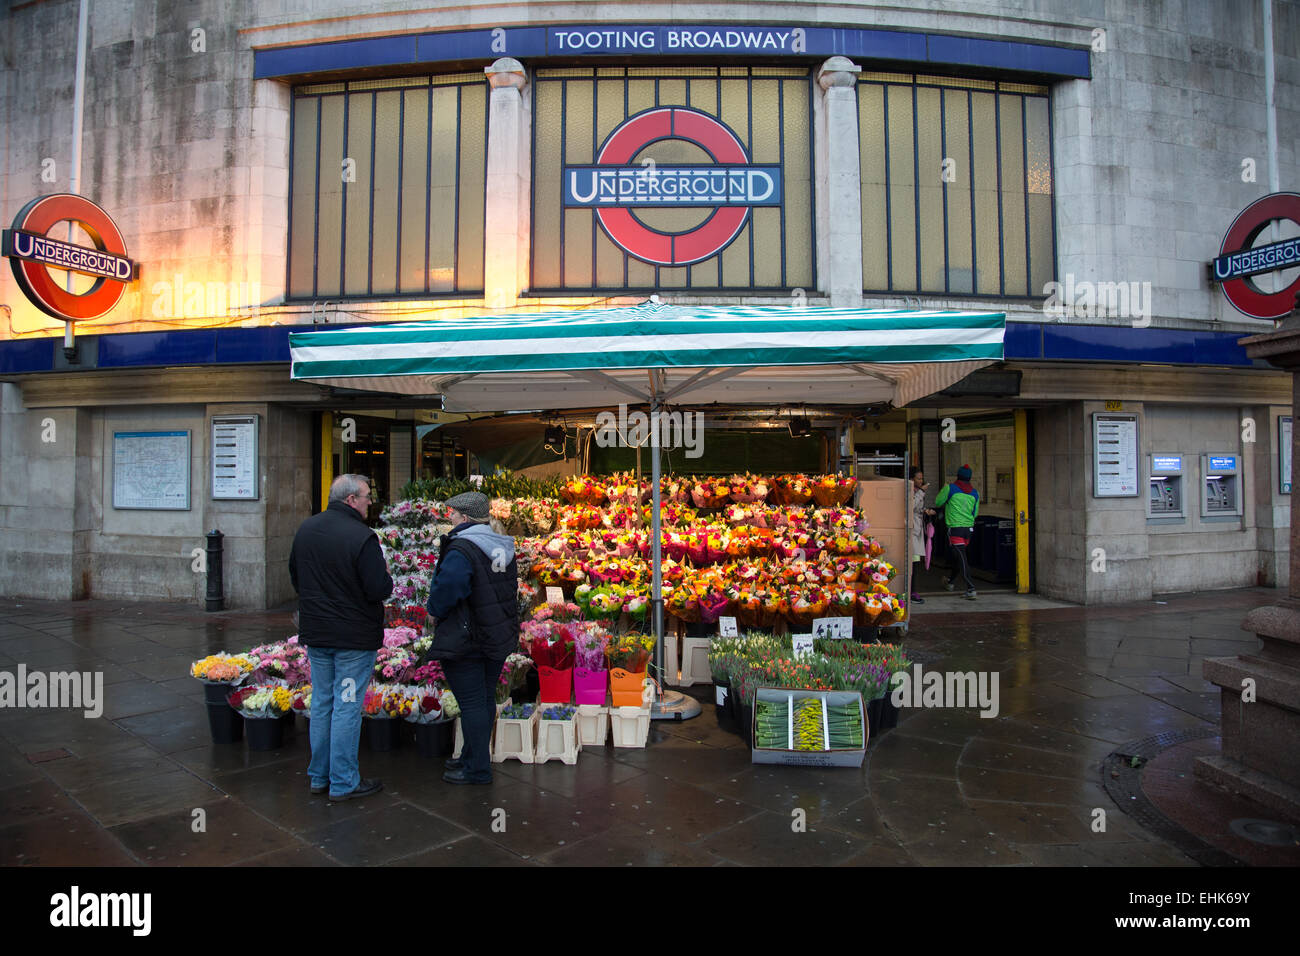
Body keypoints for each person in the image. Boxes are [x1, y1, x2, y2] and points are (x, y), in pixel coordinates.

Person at [289, 474, 393, 801]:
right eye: (365, 497)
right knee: (346, 706)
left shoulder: (306, 529)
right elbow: (379, 588)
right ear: (350, 500)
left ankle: (319, 777)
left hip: (317, 633)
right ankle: (344, 781)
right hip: (352, 638)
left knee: (322, 703)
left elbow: (295, 575)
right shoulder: (362, 537)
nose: (369, 502)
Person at [425, 491, 519, 785]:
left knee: (472, 703)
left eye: (452, 514)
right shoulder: (501, 544)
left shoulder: (463, 548)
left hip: (469, 637)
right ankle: (471, 757)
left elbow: (448, 589)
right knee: (483, 698)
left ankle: (477, 770)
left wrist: (433, 609)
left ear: (464, 517)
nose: (450, 519)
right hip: (497, 634)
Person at [934, 464, 979, 600]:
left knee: (962, 559)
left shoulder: (950, 489)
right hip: (969, 531)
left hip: (955, 529)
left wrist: (944, 490)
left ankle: (971, 588)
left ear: (958, 476)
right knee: (958, 557)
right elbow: (975, 513)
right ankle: (951, 582)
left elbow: (937, 502)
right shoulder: (975, 493)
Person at [908, 467, 937, 604]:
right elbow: (910, 506)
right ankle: (911, 592)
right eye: (918, 478)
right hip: (911, 531)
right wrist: (922, 491)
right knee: (912, 563)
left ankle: (912, 591)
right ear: (912, 479)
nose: (921, 481)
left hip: (917, 530)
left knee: (915, 562)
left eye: (921, 478)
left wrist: (926, 511)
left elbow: (917, 508)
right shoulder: (909, 491)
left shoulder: (916, 492)